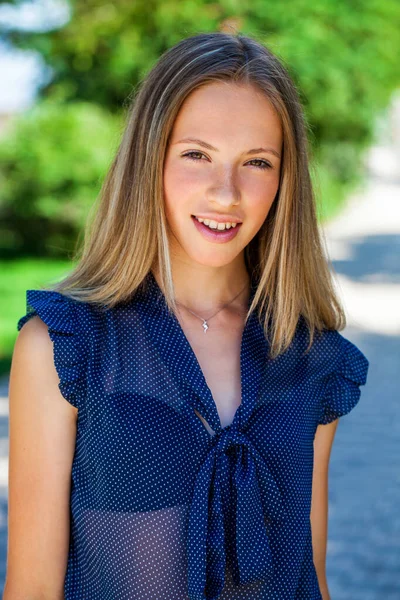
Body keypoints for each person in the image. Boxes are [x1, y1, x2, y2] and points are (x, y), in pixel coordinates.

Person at [5, 31, 369, 600]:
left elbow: (309, 578)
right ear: (150, 159)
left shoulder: (312, 359)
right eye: (196, 154)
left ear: (284, 181)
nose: (226, 193)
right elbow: (31, 589)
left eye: (256, 162)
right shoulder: (63, 347)